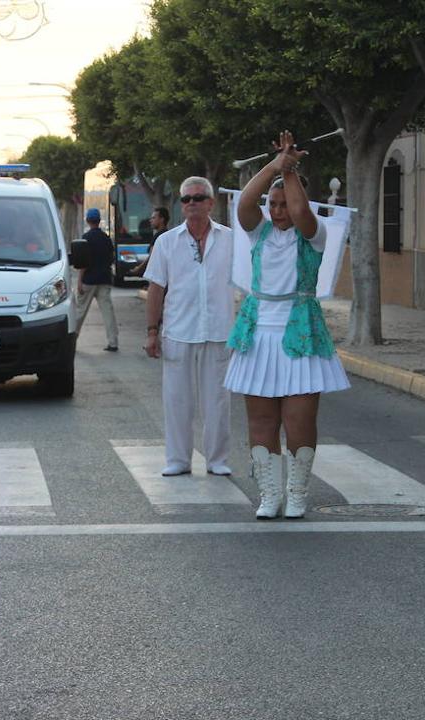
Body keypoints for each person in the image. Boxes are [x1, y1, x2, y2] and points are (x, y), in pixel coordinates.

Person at [226, 132, 350, 519]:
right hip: (258, 333)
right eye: (273, 204)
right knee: (261, 420)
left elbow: (300, 213)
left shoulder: (315, 235)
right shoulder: (258, 230)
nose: (277, 211)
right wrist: (275, 166)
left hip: (300, 333)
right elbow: (246, 203)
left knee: (299, 420)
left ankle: (297, 492)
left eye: (282, 204)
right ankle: (270, 494)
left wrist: (290, 169)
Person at [144, 175, 234, 477]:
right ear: (181, 206)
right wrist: (152, 332)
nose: (192, 203)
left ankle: (217, 460)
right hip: (178, 332)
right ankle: (178, 460)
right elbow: (156, 288)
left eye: (198, 198)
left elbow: (246, 284)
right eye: (186, 199)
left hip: (219, 331)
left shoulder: (230, 239)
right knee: (177, 401)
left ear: (210, 203)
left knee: (218, 402)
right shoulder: (166, 242)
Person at [76, 208, 118, 351]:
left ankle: (71, 341)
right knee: (108, 312)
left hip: (88, 280)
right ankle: (113, 342)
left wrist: (79, 281)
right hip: (104, 280)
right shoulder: (107, 239)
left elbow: (82, 263)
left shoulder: (85, 238)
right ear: (99, 221)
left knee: (79, 312)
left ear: (88, 221)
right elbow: (111, 259)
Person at [131, 207, 170, 280]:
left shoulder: (159, 236)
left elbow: (152, 257)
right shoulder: (168, 234)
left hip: (158, 276)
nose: (150, 220)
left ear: (162, 219)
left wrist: (139, 268)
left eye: (154, 218)